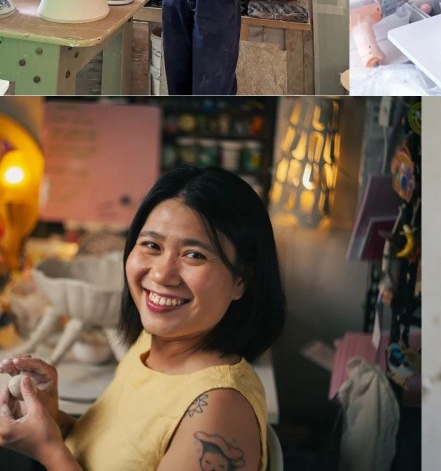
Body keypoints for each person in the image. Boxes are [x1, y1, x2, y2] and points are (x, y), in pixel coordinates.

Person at [0, 166, 286, 471]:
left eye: (194, 255)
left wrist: (48, 449)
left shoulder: (220, 410)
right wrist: (52, 419)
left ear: (241, 280)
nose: (162, 274)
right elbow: (111, 454)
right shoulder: (150, 343)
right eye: (152, 245)